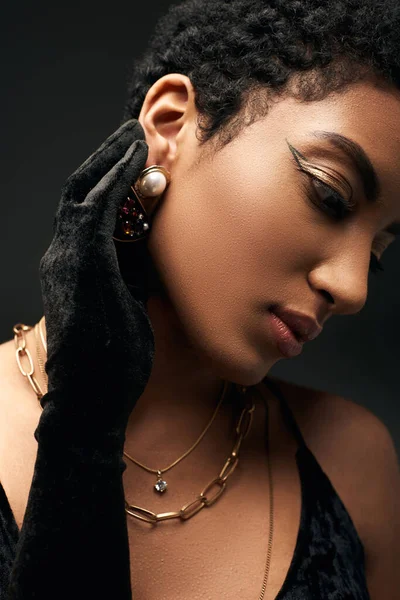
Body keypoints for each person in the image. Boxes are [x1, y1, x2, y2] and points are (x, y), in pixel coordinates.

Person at [0, 0, 399, 598]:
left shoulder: (354, 464)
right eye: (330, 195)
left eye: (378, 251)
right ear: (168, 126)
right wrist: (82, 425)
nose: (352, 289)